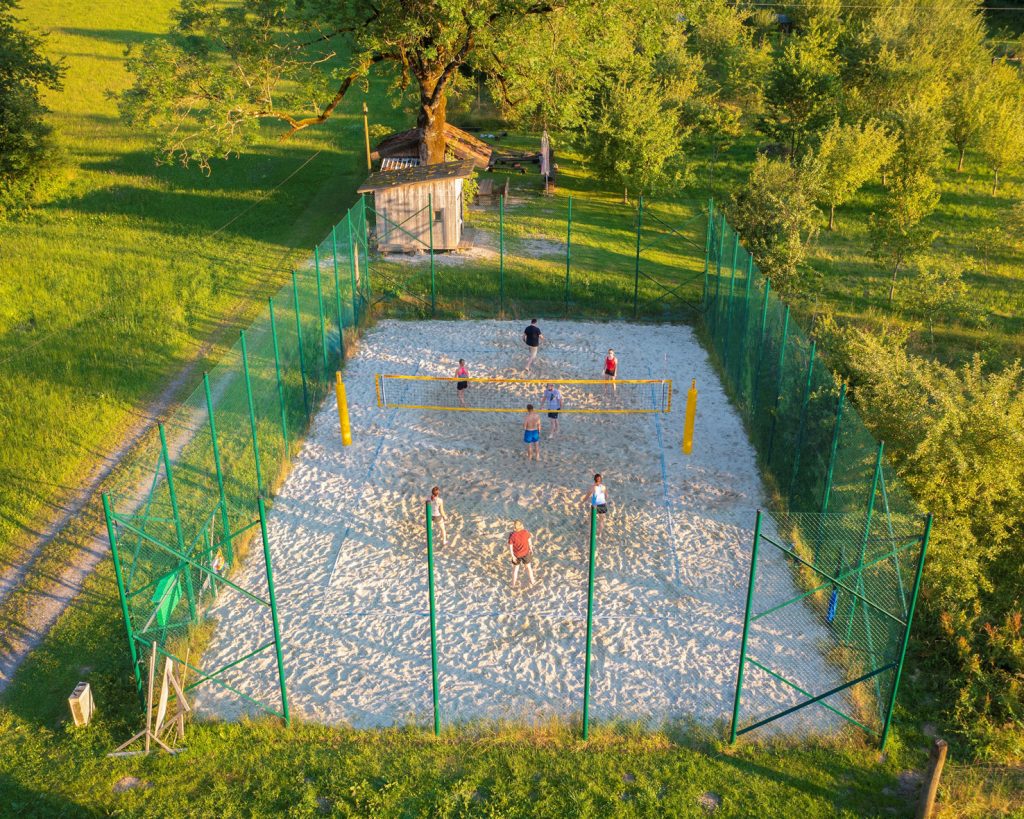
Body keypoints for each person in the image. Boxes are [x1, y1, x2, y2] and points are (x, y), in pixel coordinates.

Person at [508, 519, 536, 589]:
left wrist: (512, 556)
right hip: (526, 553)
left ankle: (513, 584)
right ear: (522, 525)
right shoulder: (526, 532)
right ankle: (532, 581)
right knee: (528, 568)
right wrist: (531, 549)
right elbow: (529, 542)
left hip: (516, 555)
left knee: (515, 569)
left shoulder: (512, 535)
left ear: (514, 527)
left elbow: (510, 547)